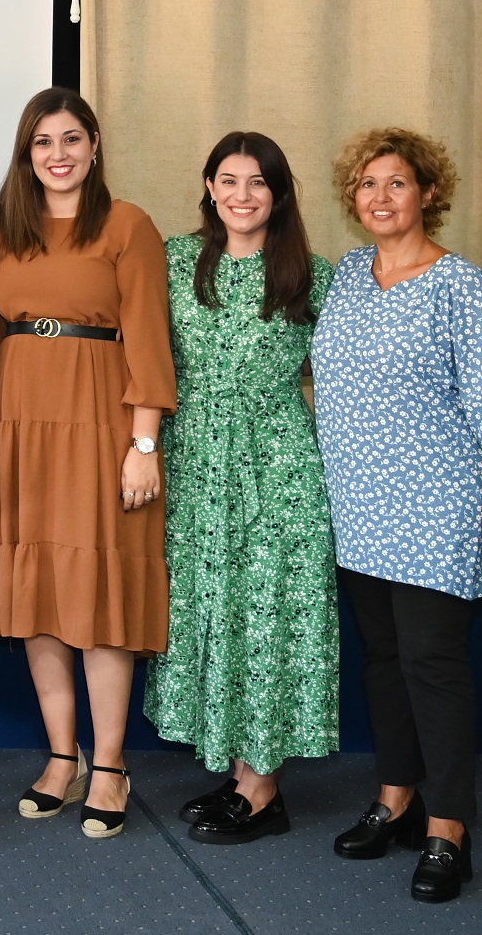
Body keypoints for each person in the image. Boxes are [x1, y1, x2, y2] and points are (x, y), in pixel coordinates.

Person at [311, 127, 482, 903]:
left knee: (433, 665)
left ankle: (449, 828)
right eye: (367, 185)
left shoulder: (459, 284)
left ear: (427, 192)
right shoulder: (346, 279)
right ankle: (395, 798)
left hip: (439, 505)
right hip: (360, 505)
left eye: (396, 183)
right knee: (383, 660)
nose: (380, 197)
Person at [0, 88, 175, 840]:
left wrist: (143, 444)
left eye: (71, 139)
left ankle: (111, 764)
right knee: (37, 596)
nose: (58, 154)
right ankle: (63, 756)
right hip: (18, 425)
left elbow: (150, 339)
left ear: (93, 147)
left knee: (99, 594)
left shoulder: (129, 226)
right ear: (27, 155)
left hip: (98, 423)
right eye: (43, 142)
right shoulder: (3, 234)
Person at [143, 133, 339, 845]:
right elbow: (141, 354)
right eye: (229, 180)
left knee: (270, 614)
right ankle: (239, 769)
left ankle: (262, 787)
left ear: (279, 193)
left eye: (258, 182)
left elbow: (352, 377)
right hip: (195, 462)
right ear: (209, 185)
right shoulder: (174, 261)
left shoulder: (313, 275)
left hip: (280, 467)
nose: (243, 194)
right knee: (211, 609)